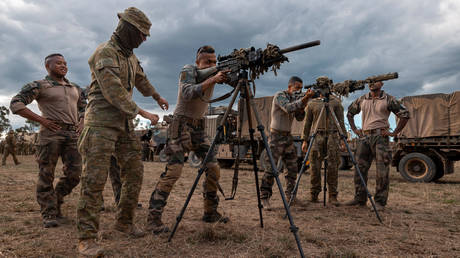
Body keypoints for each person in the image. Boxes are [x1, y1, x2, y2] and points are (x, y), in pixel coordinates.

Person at [76, 7, 168, 256]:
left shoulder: (130, 56)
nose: (144, 39)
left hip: (124, 125)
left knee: (134, 173)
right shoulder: (104, 52)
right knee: (94, 180)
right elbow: (113, 91)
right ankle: (86, 238)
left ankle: (124, 223)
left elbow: (141, 79)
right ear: (127, 29)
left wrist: (157, 96)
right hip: (101, 124)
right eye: (142, 34)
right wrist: (143, 112)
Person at [146, 45, 229, 234]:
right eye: (208, 62)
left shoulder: (211, 74)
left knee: (213, 168)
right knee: (174, 171)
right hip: (181, 125)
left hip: (198, 127)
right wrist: (214, 77)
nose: (213, 65)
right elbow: (187, 93)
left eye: (215, 62)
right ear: (198, 62)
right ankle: (153, 218)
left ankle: (210, 212)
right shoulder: (188, 70)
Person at [10, 53, 85, 227]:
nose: (63, 66)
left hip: (72, 134)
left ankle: (56, 199)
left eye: (65, 63)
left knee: (75, 175)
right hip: (50, 134)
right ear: (47, 66)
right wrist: (42, 120)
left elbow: (83, 106)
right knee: (46, 174)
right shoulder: (39, 85)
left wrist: (82, 121)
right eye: (58, 63)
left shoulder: (75, 87)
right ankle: (49, 213)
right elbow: (16, 104)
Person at [345, 81, 409, 211]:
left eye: (376, 81)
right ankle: (359, 199)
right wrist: (355, 130)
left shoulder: (389, 99)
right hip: (364, 137)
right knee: (359, 169)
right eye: (371, 82)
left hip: (381, 137)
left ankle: (379, 202)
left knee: (382, 171)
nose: (372, 84)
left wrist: (394, 132)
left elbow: (405, 114)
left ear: (382, 84)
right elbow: (350, 113)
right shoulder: (362, 99)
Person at [260, 76, 314, 210]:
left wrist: (304, 104)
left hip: (287, 136)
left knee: (292, 168)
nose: (299, 91)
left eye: (301, 89)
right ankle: (264, 198)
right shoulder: (280, 95)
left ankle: (291, 197)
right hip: (275, 136)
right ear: (289, 87)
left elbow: (300, 118)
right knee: (271, 168)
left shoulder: (295, 99)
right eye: (297, 88)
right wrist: (305, 99)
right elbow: (288, 108)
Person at [301, 76, 346, 206]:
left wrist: (343, 139)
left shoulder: (336, 102)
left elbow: (341, 122)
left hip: (332, 135)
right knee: (314, 166)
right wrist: (305, 140)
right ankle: (314, 194)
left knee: (333, 166)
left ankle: (332, 195)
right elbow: (307, 123)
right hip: (317, 136)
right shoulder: (312, 103)